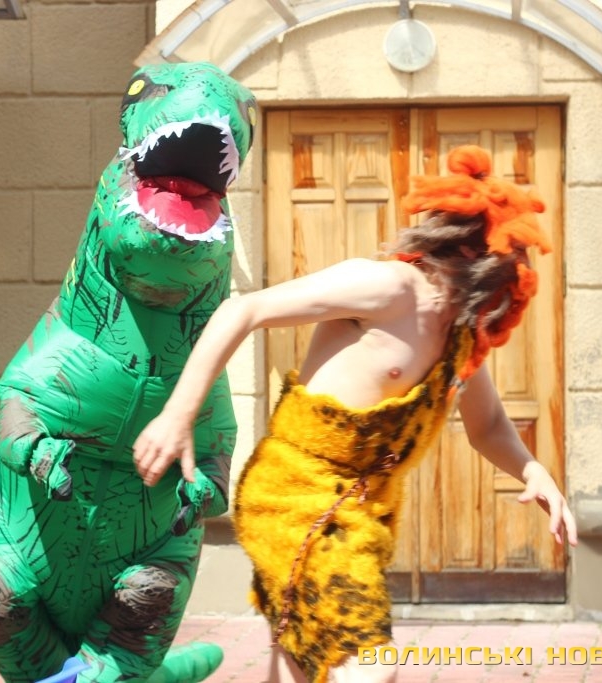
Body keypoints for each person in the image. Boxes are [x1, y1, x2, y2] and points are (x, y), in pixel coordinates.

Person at [132, 145, 578, 683]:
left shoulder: (460, 335)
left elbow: (488, 426)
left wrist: (534, 471)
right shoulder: (388, 286)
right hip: (295, 497)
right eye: (508, 266)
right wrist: (177, 415)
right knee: (371, 666)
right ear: (472, 254)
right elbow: (243, 309)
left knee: (307, 666)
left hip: (362, 514)